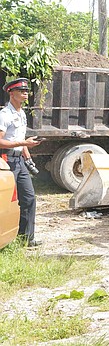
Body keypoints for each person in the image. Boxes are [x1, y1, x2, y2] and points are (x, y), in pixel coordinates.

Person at [0, 78, 42, 247]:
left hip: (19, 161)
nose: (26, 94)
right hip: (6, 160)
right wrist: (24, 144)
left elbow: (20, 139)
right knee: (6, 201)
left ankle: (27, 238)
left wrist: (28, 157)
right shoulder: (4, 115)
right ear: (11, 93)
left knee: (29, 198)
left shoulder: (21, 114)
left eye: (26, 91)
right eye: (21, 91)